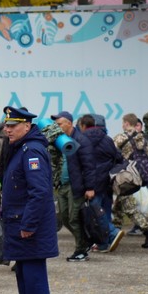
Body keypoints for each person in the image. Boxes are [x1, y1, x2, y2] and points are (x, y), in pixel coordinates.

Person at [1, 106, 58, 294]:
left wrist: (29, 225)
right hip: (20, 225)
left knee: (33, 276)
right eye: (6, 126)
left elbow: (40, 192)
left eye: (12, 126)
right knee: (25, 274)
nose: (7, 130)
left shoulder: (31, 151)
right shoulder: (21, 148)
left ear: (27, 126)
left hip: (28, 228)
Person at [49, 111, 95, 261]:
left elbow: (89, 166)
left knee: (74, 218)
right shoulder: (59, 141)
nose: (57, 127)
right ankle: (84, 241)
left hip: (76, 186)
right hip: (62, 185)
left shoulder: (81, 140)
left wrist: (89, 187)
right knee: (64, 217)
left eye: (59, 124)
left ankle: (81, 249)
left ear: (69, 123)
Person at [78, 114, 125, 254]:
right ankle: (103, 244)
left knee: (96, 214)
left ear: (83, 126)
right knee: (105, 211)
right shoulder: (107, 139)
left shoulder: (82, 140)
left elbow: (84, 163)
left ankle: (112, 233)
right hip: (107, 181)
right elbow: (118, 158)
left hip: (93, 183)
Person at [111, 113, 148, 248]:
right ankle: (115, 233)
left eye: (123, 123)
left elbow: (111, 152)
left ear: (126, 123)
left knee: (128, 205)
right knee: (119, 205)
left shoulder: (121, 137)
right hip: (138, 176)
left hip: (124, 176)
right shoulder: (144, 140)